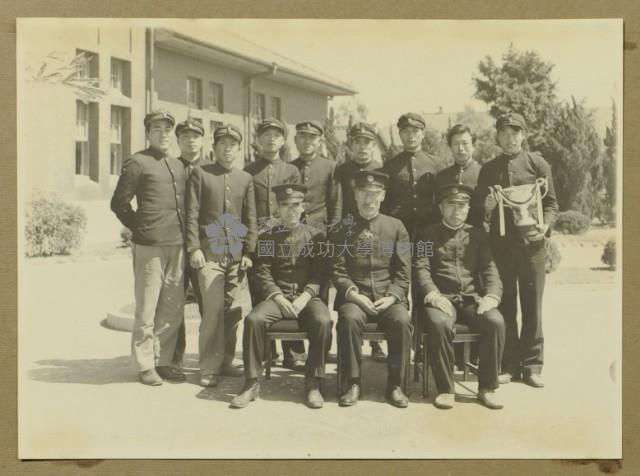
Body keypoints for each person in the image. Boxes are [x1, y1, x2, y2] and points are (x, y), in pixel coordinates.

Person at [473, 112, 558, 388]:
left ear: (524, 135)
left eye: (515, 133)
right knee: (507, 305)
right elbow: (479, 211)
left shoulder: (538, 164)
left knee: (532, 305)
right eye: (505, 134)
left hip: (533, 247)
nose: (510, 139)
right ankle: (509, 364)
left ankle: (533, 365)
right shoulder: (489, 170)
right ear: (497, 137)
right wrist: (486, 207)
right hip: (502, 248)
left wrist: (545, 228)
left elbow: (552, 205)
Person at [231, 184, 333, 409]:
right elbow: (263, 272)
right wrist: (278, 297)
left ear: (304, 207)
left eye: (295, 205)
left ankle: (313, 382)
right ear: (277, 208)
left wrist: (304, 297)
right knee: (253, 320)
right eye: (285, 205)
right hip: (278, 298)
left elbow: (321, 275)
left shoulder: (317, 236)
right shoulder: (267, 237)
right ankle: (251, 382)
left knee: (323, 321)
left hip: (308, 299)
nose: (291, 210)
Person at [110, 109, 187, 386]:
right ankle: (144, 364)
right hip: (150, 245)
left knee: (172, 307)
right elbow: (119, 202)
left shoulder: (178, 165)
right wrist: (138, 227)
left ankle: (163, 360)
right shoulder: (137, 162)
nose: (163, 134)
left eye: (168, 129)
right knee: (146, 307)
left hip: (177, 244)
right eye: (157, 129)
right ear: (148, 133)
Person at [414, 183, 505, 409]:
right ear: (441, 207)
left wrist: (492, 296)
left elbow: (490, 268)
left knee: (495, 321)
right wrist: (433, 295)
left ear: (467, 209)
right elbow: (420, 268)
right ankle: (446, 389)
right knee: (439, 322)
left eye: (462, 206)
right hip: (441, 298)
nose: (457, 211)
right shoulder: (426, 234)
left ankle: (487, 387)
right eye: (451, 205)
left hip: (470, 299)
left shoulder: (477, 234)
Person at [333, 170, 413, 408]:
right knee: (348, 318)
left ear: (383, 196)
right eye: (363, 194)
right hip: (355, 297)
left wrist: (392, 297)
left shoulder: (396, 227)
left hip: (387, 298)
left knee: (401, 320)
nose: (369, 200)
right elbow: (337, 271)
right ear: (355, 196)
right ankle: (353, 383)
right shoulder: (341, 229)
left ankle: (395, 385)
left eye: (374, 194)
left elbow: (403, 271)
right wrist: (354, 294)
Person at [186, 124, 257, 388]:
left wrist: (249, 251)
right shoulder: (201, 174)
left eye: (233, 145)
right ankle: (208, 366)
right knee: (213, 311)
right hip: (210, 254)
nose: (228, 149)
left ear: (239, 149)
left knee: (233, 311)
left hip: (236, 256)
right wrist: (194, 248)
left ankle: (226, 360)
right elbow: (192, 215)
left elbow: (250, 217)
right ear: (214, 148)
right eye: (222, 144)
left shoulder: (244, 178)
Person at [244, 118, 306, 371]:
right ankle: (265, 351)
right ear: (258, 140)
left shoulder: (290, 170)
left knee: (289, 286)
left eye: (277, 135)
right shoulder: (249, 170)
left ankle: (294, 352)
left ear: (283, 140)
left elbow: (297, 203)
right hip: (258, 237)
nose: (271, 139)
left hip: (284, 237)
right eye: (266, 135)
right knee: (259, 290)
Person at [335, 121, 386, 362]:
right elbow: (336, 203)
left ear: (373, 145)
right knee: (350, 284)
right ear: (351, 145)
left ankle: (376, 345)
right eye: (358, 143)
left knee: (375, 278)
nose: (363, 147)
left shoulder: (381, 169)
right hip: (348, 232)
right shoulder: (342, 170)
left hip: (375, 232)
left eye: (367, 142)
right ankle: (349, 343)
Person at [290, 120, 342, 303]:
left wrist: (332, 236)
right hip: (293, 234)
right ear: (295, 140)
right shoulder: (289, 167)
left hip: (320, 235)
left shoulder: (330, 167)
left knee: (320, 284)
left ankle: (320, 327)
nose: (307, 141)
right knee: (292, 280)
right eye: (302, 136)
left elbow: (335, 204)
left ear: (320, 141)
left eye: (312, 137)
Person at [173, 118, 208, 368]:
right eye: (185, 136)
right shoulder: (170, 167)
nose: (190, 140)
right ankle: (174, 359)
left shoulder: (212, 169)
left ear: (202, 140)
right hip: (173, 245)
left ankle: (212, 358)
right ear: (178, 141)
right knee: (174, 304)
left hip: (205, 247)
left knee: (210, 304)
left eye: (195, 136)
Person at [381, 112, 445, 237]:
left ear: (423, 134)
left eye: (415, 131)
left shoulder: (436, 164)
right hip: (399, 229)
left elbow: (442, 198)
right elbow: (385, 201)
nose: (410, 136)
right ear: (400, 135)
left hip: (429, 229)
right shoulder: (390, 166)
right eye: (405, 131)